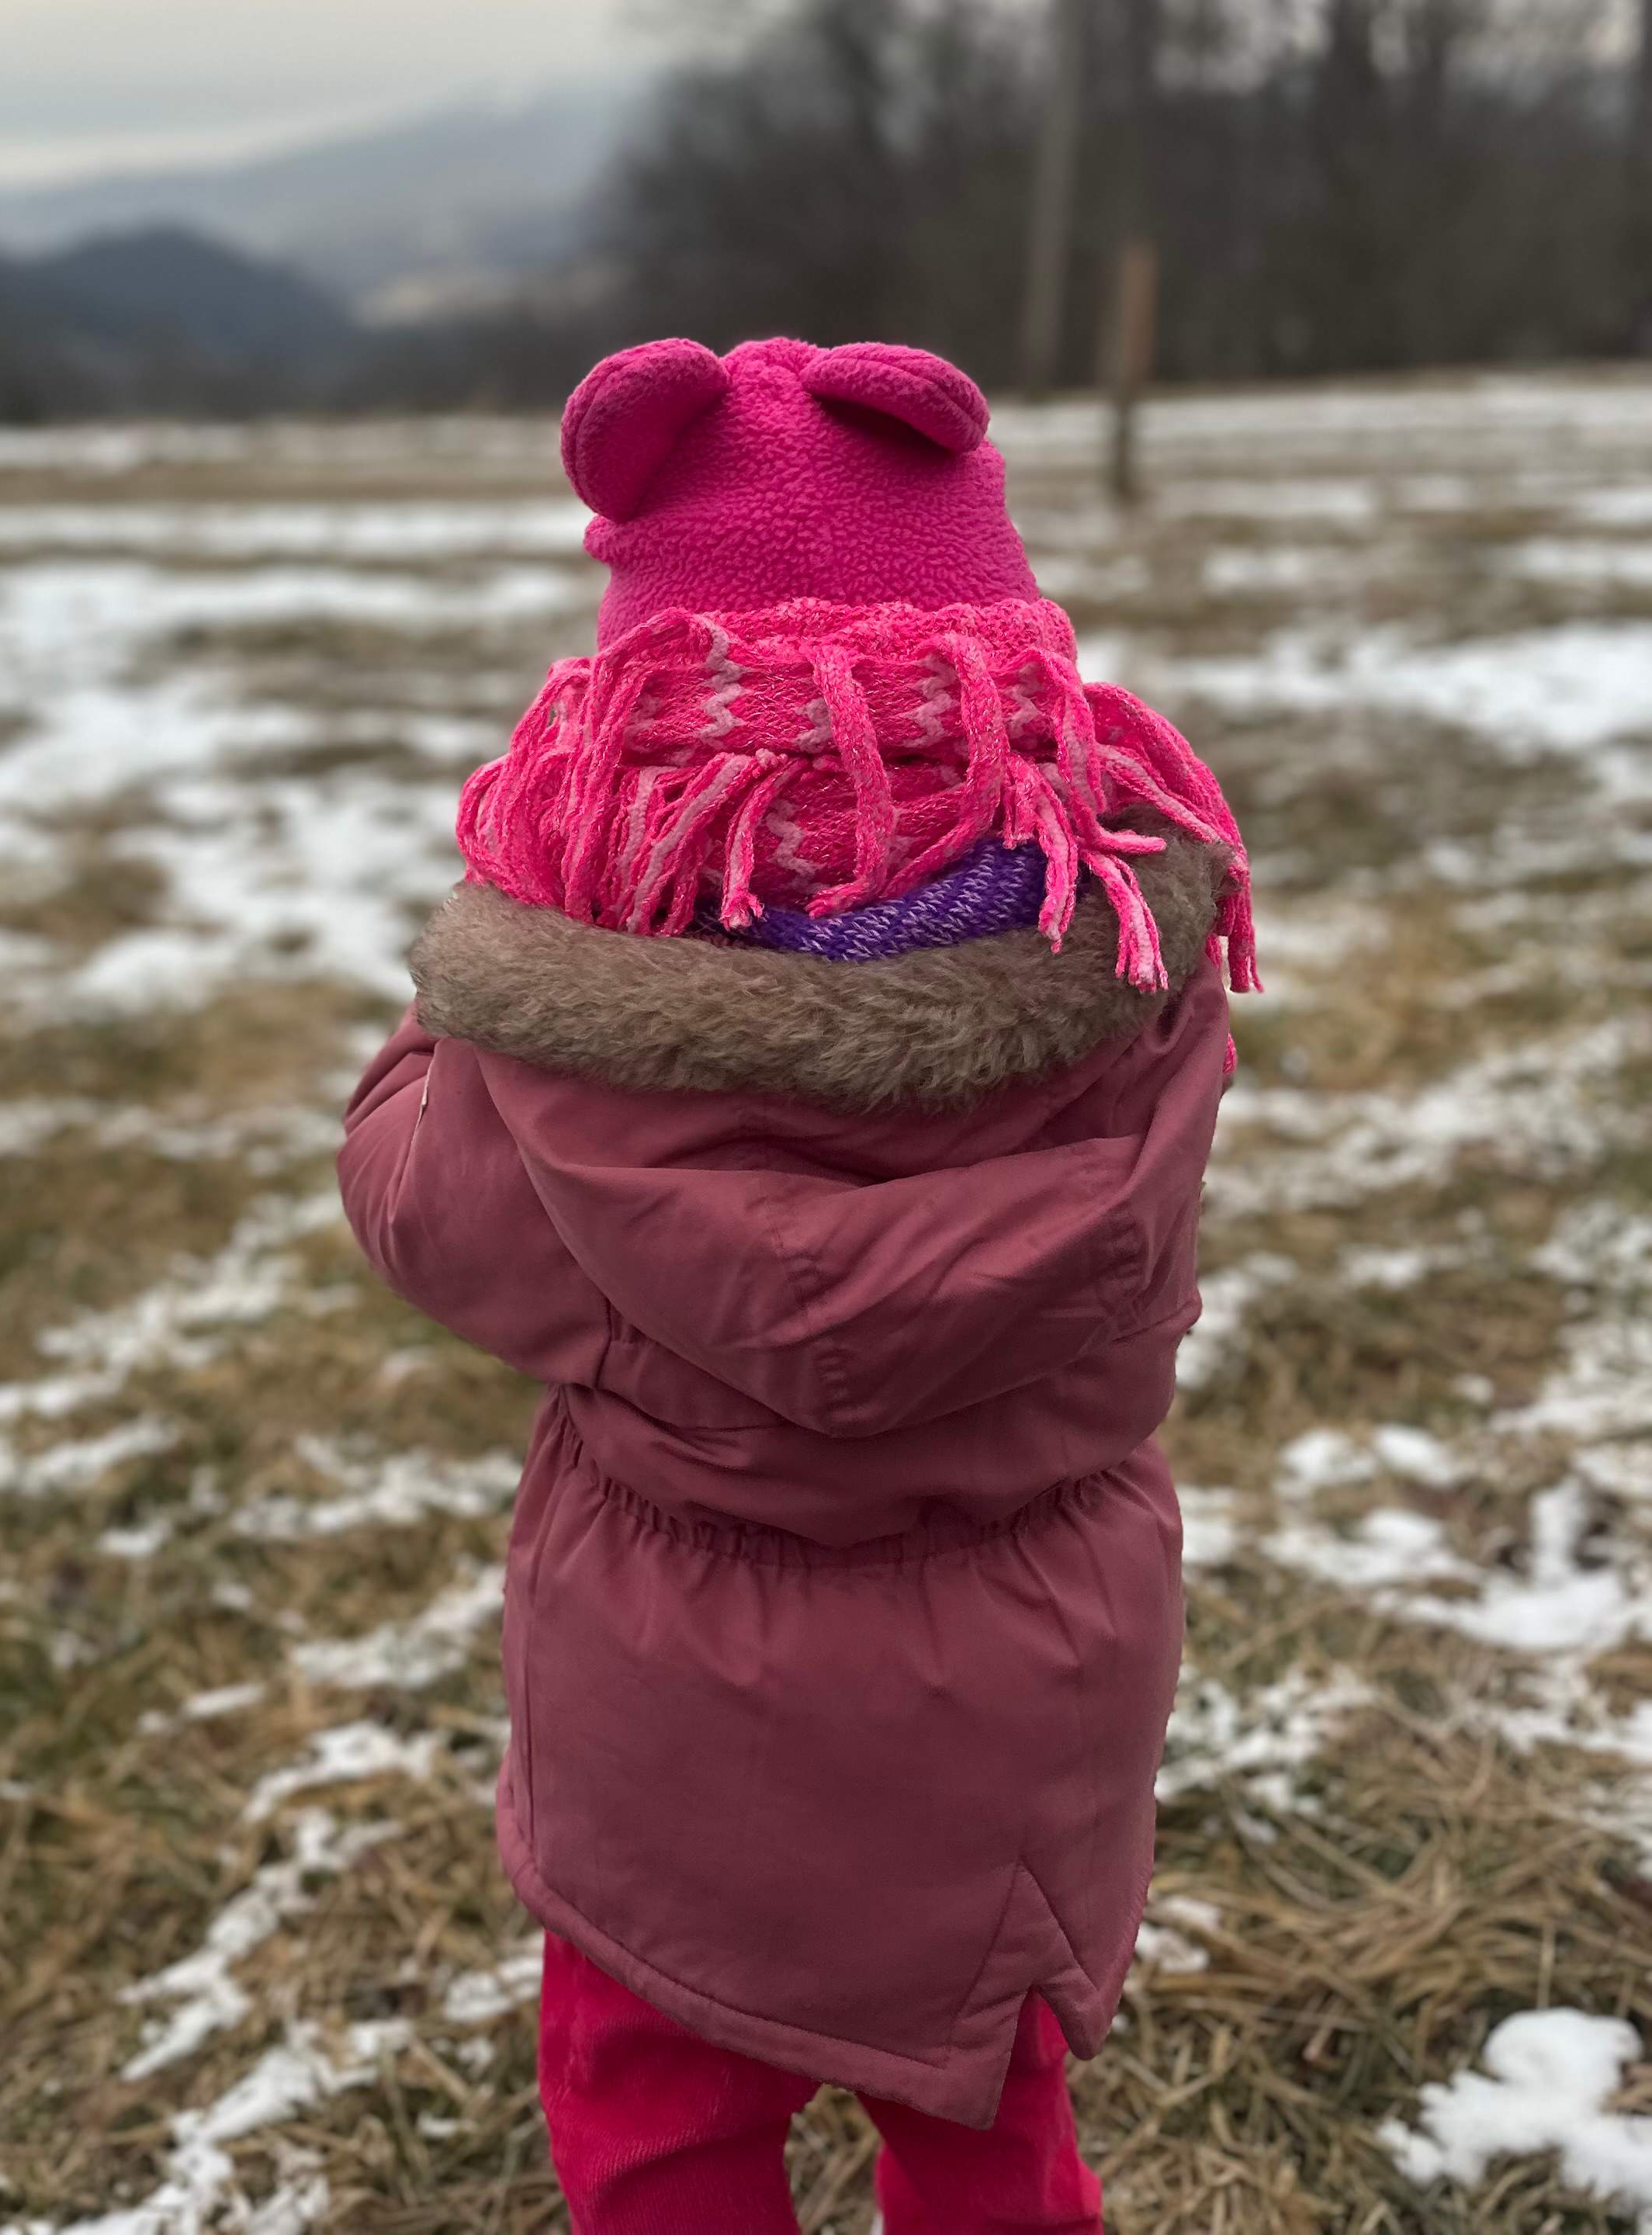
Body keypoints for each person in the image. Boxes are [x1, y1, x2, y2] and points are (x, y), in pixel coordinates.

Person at [338, 334, 1255, 2235]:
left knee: (659, 2122)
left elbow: (416, 1209)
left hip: (670, 1734)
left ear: (642, 698)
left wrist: (480, 989)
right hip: (1026, 1710)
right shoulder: (1134, 974)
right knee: (994, 2129)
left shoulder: (572, 1047)